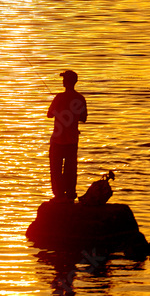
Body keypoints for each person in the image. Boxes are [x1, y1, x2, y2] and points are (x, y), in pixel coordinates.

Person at [46, 70, 87, 201]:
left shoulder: (59, 97)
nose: (62, 81)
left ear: (67, 82)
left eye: (64, 79)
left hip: (58, 139)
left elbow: (49, 114)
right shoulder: (80, 99)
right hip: (72, 140)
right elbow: (83, 118)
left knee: (56, 169)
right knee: (71, 168)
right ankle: (70, 194)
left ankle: (58, 195)